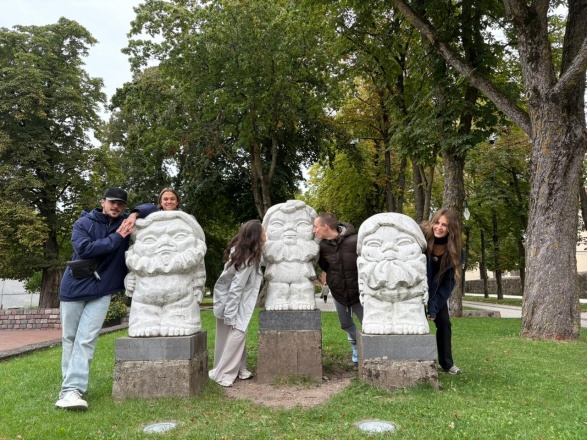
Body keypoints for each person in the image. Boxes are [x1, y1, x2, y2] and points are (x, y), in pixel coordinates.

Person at [56, 188, 157, 410]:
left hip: (102, 291)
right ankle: (69, 387)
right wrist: (118, 237)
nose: (116, 206)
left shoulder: (126, 221)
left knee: (86, 340)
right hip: (73, 289)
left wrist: (134, 214)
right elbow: (85, 249)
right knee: (70, 339)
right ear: (103, 202)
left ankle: (73, 389)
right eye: (112, 202)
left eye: (121, 204)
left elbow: (153, 207)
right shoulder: (84, 223)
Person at [209, 220, 265, 387]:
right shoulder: (248, 257)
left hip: (230, 300)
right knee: (238, 332)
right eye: (263, 231)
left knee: (232, 334)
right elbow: (236, 287)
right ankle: (223, 374)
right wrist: (230, 313)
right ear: (256, 235)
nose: (266, 233)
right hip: (233, 301)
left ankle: (240, 369)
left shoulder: (246, 252)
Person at [313, 213, 363, 363]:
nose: (314, 230)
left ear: (325, 226)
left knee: (367, 323)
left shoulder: (355, 240)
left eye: (316, 227)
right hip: (338, 293)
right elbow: (325, 266)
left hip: (358, 293)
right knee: (345, 324)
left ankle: (370, 349)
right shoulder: (322, 246)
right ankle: (356, 346)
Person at [421, 208, 463, 375]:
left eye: (444, 225)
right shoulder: (422, 240)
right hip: (417, 290)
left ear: (450, 229)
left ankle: (446, 364)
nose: (439, 227)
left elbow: (447, 284)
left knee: (444, 323)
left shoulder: (455, 253)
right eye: (437, 223)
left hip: (436, 293)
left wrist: (434, 306)